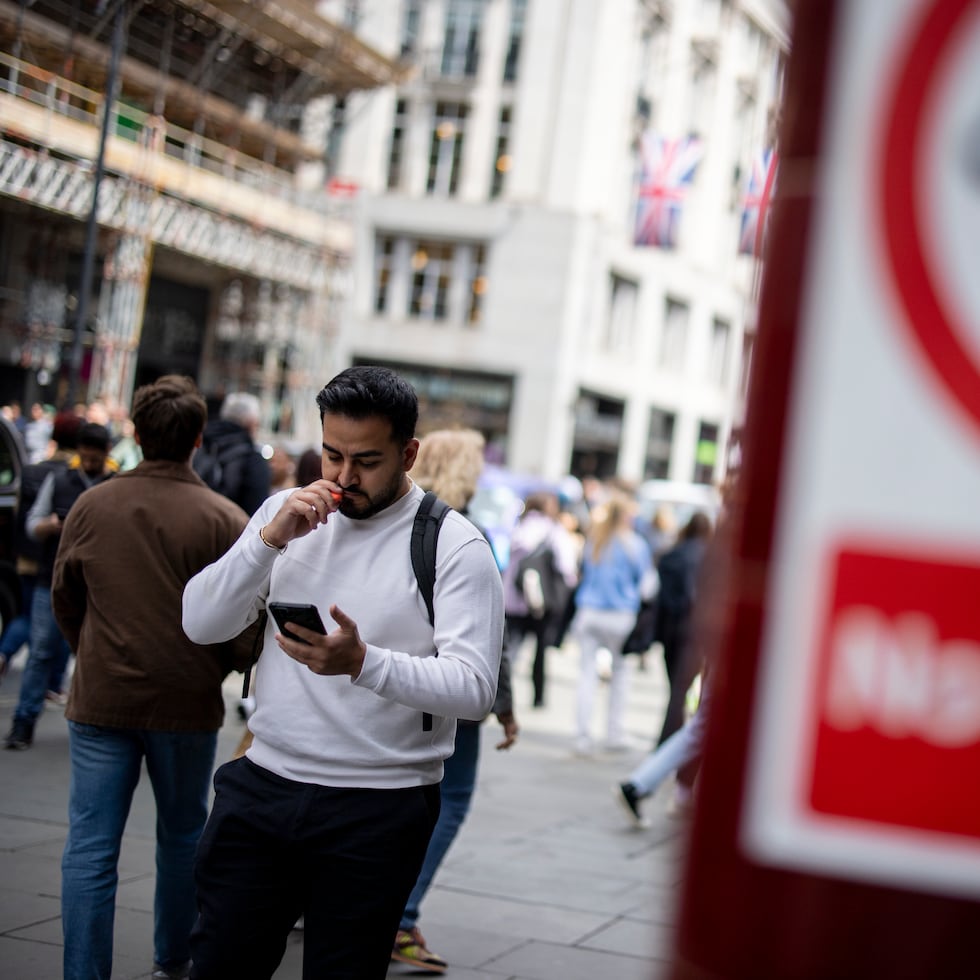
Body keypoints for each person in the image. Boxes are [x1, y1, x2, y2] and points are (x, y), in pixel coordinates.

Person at [181, 365, 504, 980]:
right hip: (264, 783)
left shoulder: (453, 545)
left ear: (409, 453)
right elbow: (199, 622)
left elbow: (473, 689)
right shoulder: (286, 513)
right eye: (332, 455)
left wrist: (363, 663)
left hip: (379, 807)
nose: (344, 477)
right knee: (219, 963)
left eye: (367, 461)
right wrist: (266, 542)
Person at [49, 376, 256, 980]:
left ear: (135, 434)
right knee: (184, 834)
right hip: (185, 700)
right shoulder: (223, 518)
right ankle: (174, 957)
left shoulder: (93, 505)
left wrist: (89, 653)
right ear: (197, 439)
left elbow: (66, 597)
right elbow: (245, 621)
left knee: (89, 847)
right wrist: (216, 667)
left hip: (102, 696)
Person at [391, 428, 519, 974]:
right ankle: (400, 916)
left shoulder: (400, 523)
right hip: (450, 691)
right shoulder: (467, 534)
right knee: (453, 797)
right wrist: (506, 704)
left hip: (396, 684)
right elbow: (492, 641)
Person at [5, 422, 116, 749]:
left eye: (96, 457)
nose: (90, 462)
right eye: (86, 456)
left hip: (98, 586)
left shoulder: (115, 485)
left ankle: (90, 726)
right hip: (52, 580)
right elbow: (32, 525)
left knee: (92, 657)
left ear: (106, 454)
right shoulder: (60, 479)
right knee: (41, 651)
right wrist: (50, 526)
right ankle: (23, 723)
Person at [570, 492, 657, 755]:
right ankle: (614, 733)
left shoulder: (595, 540)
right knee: (621, 674)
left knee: (587, 674)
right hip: (621, 615)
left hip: (589, 611)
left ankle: (582, 736)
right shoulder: (635, 545)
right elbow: (648, 586)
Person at [0, 412, 81, 688]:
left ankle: (4, 653)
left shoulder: (33, 470)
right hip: (54, 561)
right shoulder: (74, 477)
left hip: (27, 556)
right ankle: (53, 684)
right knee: (54, 623)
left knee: (26, 615)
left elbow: (21, 516)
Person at [501, 491, 580, 708]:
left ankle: (502, 693)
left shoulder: (517, 529)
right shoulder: (553, 532)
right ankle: (538, 697)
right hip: (542, 602)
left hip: (514, 598)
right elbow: (567, 567)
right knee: (540, 651)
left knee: (510, 648)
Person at [653, 510, 713, 749]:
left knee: (676, 687)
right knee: (681, 689)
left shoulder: (671, 555)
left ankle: (671, 739)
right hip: (692, 630)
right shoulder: (705, 557)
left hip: (670, 628)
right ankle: (670, 742)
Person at [194, 391, 271, 514]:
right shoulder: (253, 460)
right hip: (235, 530)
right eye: (257, 424)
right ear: (251, 423)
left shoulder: (200, 444)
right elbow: (257, 513)